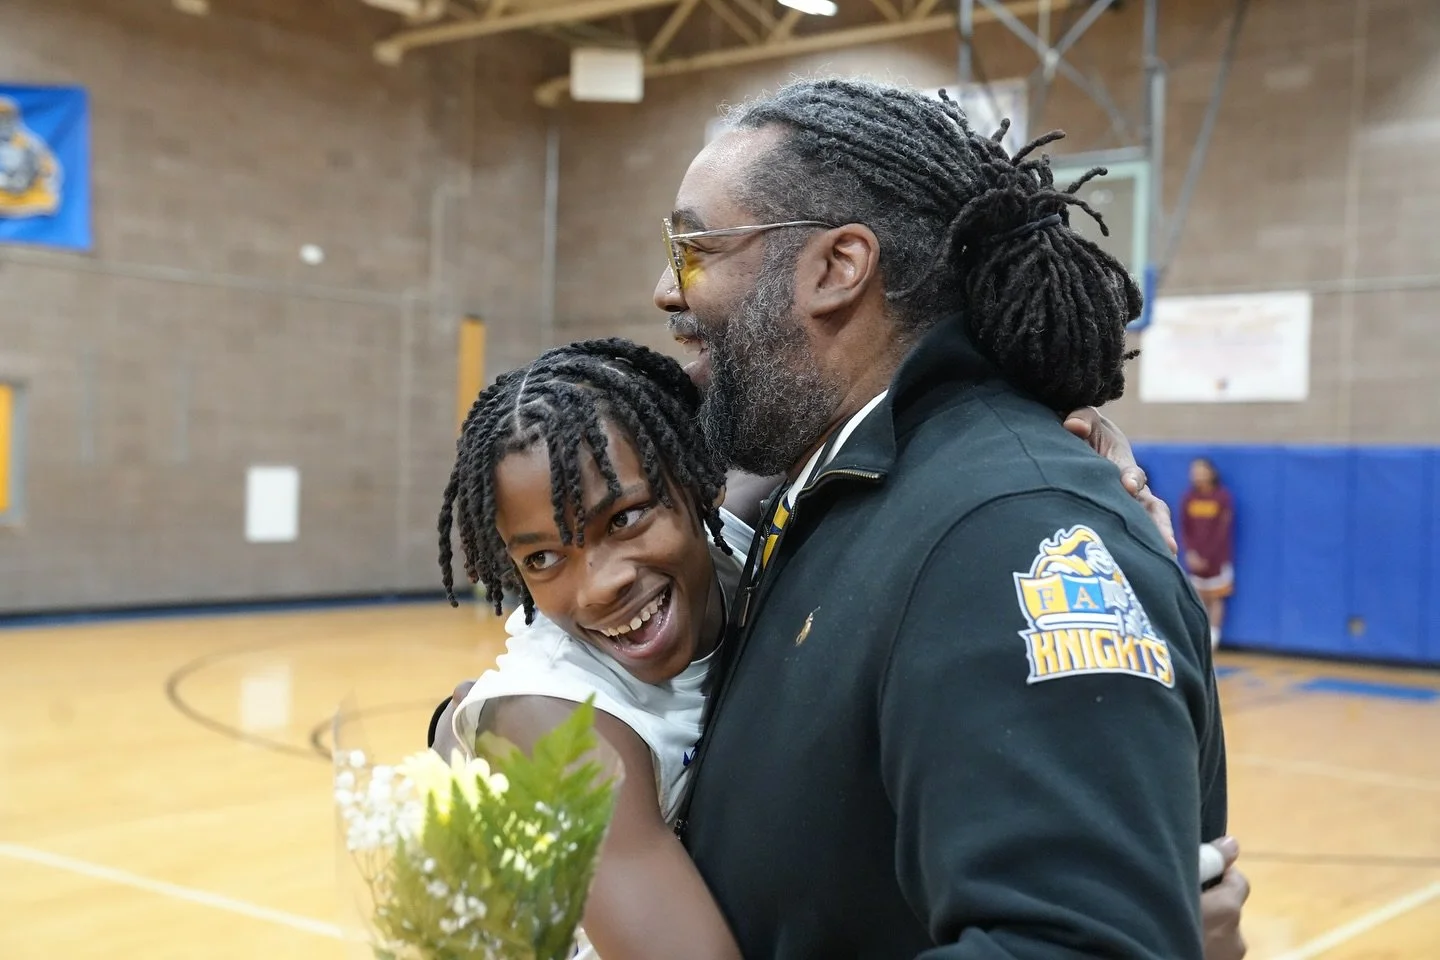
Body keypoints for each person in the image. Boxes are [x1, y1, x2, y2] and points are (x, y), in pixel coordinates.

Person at [648, 78, 1226, 958]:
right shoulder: (835, 490)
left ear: (837, 268)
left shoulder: (1009, 529)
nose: (665, 288)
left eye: (694, 245)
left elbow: (1076, 944)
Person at [427, 338, 1227, 960]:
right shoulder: (557, 726)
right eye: (542, 559)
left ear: (695, 481)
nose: (596, 584)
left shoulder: (747, 522)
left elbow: (905, 394)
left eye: (625, 518)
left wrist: (1096, 463)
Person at [1181, 457, 1236, 650]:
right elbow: (1185, 529)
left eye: (1200, 470)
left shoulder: (1222, 498)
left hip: (1217, 559)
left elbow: (1222, 531)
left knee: (1216, 598)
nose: (1196, 474)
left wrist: (1209, 556)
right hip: (1195, 559)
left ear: (1211, 472)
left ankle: (1213, 637)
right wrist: (1191, 553)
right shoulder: (1189, 498)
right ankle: (1199, 636)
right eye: (1194, 471)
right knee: (1197, 598)